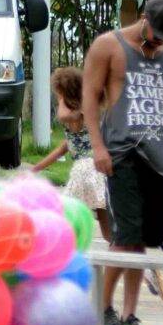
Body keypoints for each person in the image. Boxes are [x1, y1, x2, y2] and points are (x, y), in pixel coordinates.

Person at [83, 0, 163, 325]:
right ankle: (101, 310)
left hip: (160, 157)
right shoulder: (108, 46)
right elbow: (91, 97)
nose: (160, 42)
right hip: (122, 151)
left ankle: (129, 314)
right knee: (126, 237)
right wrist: (98, 147)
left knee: (142, 243)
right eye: (157, 34)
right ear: (143, 19)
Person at [32, 66, 115, 252]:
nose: (56, 98)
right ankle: (117, 246)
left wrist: (62, 97)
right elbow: (63, 148)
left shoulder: (81, 112)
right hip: (96, 170)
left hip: (86, 168)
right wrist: (37, 167)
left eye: (58, 93)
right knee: (103, 217)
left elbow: (63, 115)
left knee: (67, 212)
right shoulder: (82, 113)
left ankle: (60, 248)